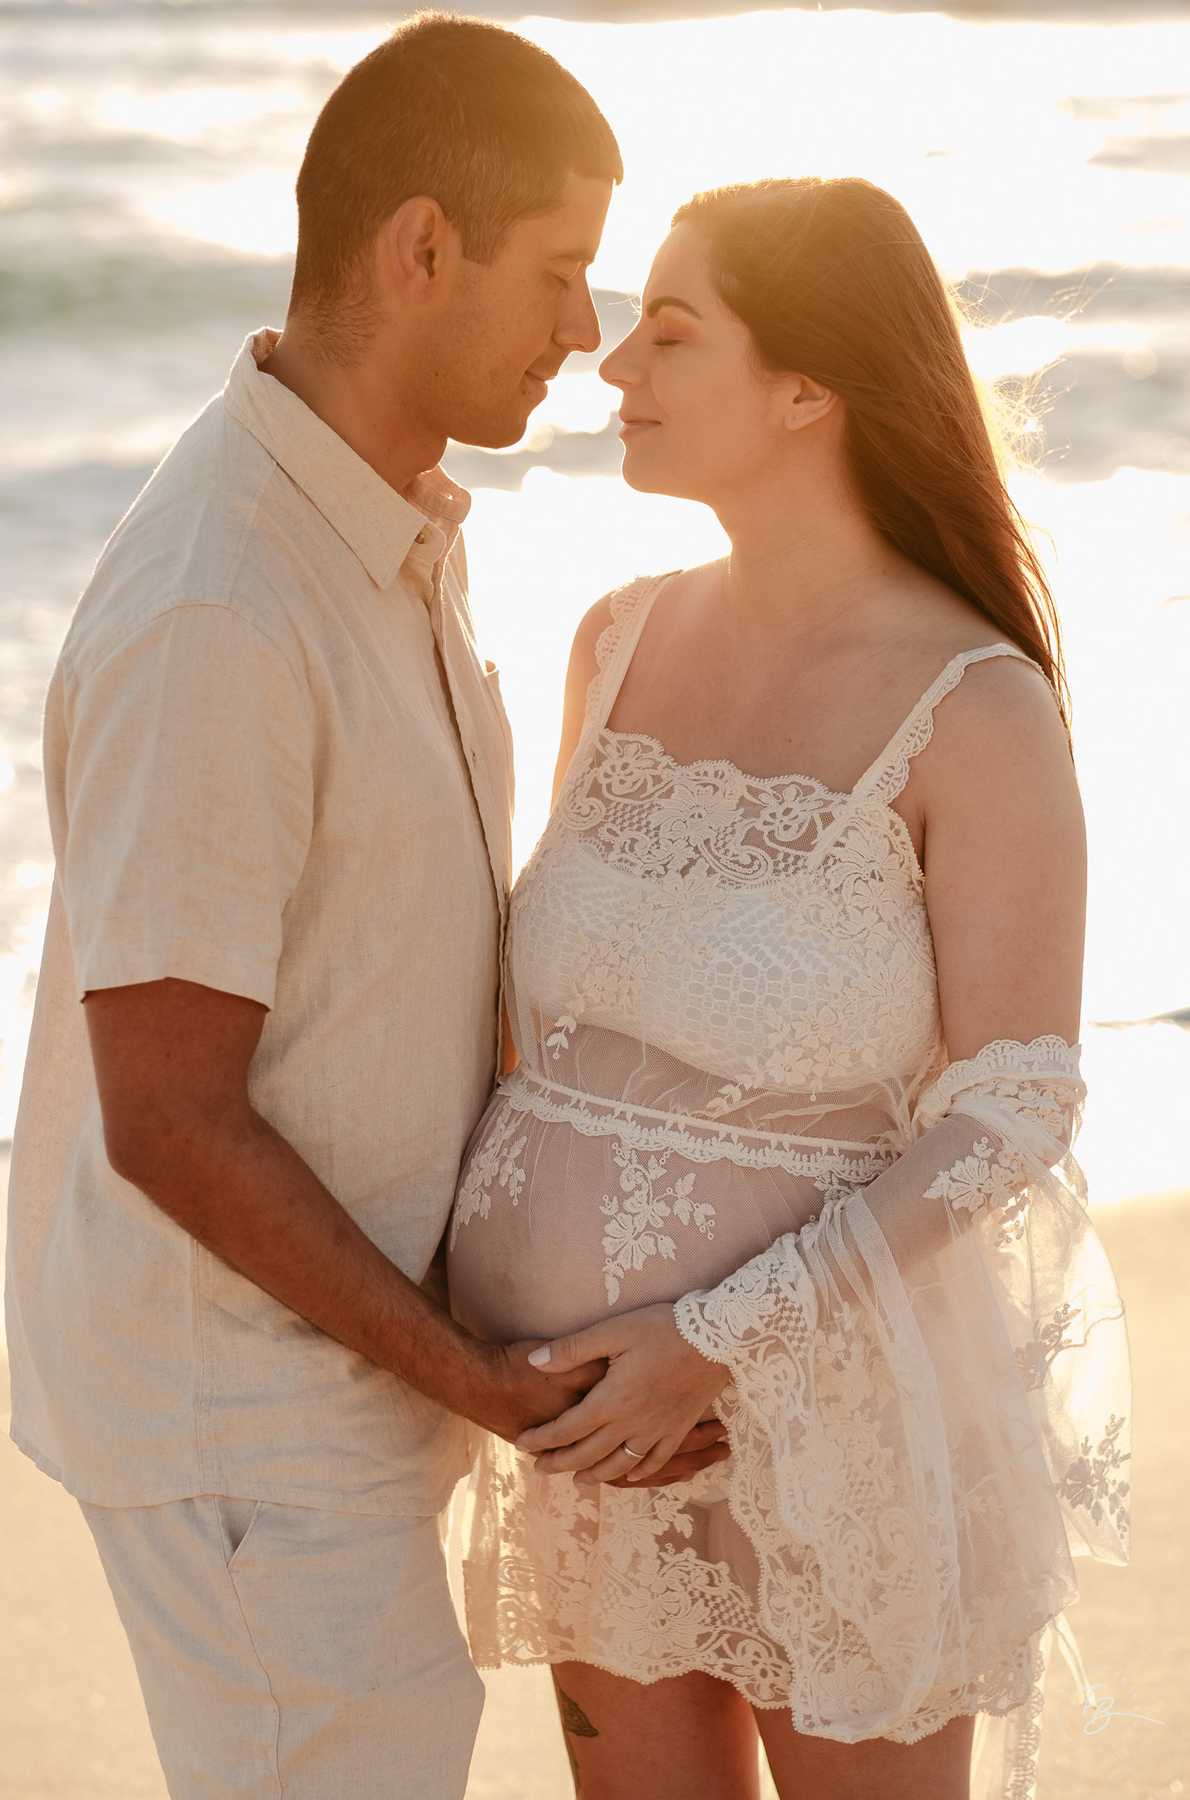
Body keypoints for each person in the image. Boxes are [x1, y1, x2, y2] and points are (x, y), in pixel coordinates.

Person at [6, 16, 724, 1798]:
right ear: (421, 251)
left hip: (333, 1379)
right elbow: (169, 1121)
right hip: (244, 1411)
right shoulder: (225, 606)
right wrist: (474, 1376)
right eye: (559, 270)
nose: (588, 327)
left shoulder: (381, 526)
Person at [447, 176, 1131, 1800]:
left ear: (809, 387)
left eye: (672, 334)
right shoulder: (612, 640)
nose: (614, 367)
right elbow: (540, 1037)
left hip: (835, 1419)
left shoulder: (977, 705)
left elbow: (1015, 1101)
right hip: (599, 1440)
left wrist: (717, 1337)